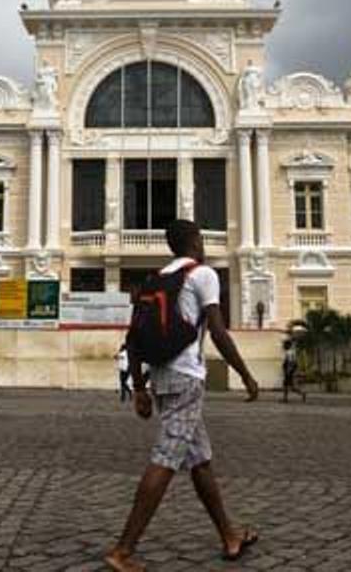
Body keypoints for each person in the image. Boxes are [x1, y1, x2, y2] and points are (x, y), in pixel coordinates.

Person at [105, 220, 260, 571]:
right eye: (201, 240)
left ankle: (229, 536)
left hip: (161, 378)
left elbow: (134, 337)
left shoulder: (156, 279)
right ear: (195, 242)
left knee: (200, 460)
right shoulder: (202, 275)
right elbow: (218, 332)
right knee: (164, 459)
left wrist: (141, 389)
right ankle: (123, 551)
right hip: (186, 378)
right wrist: (246, 375)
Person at [281, 338, 305, 403]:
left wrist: (288, 370)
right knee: (289, 386)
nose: (283, 346)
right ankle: (301, 394)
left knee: (288, 386)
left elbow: (291, 362)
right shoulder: (290, 352)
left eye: (285, 345)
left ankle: (301, 394)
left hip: (289, 371)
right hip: (289, 370)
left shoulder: (289, 353)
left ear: (288, 345)